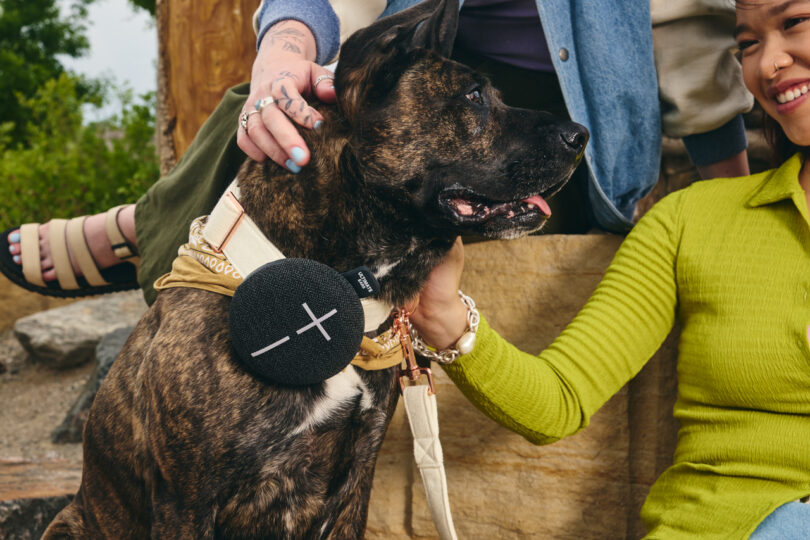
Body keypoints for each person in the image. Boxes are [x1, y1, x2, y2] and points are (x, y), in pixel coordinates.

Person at [1, 0, 753, 302]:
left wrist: (733, 215)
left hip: (567, 112)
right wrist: (282, 60)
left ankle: (146, 229)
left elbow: (698, 56)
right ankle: (156, 237)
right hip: (435, 75)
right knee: (279, 108)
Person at [406, 0, 810, 537]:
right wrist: (444, 317)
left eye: (794, 24)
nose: (768, 65)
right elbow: (558, 401)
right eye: (748, 45)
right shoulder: (692, 219)